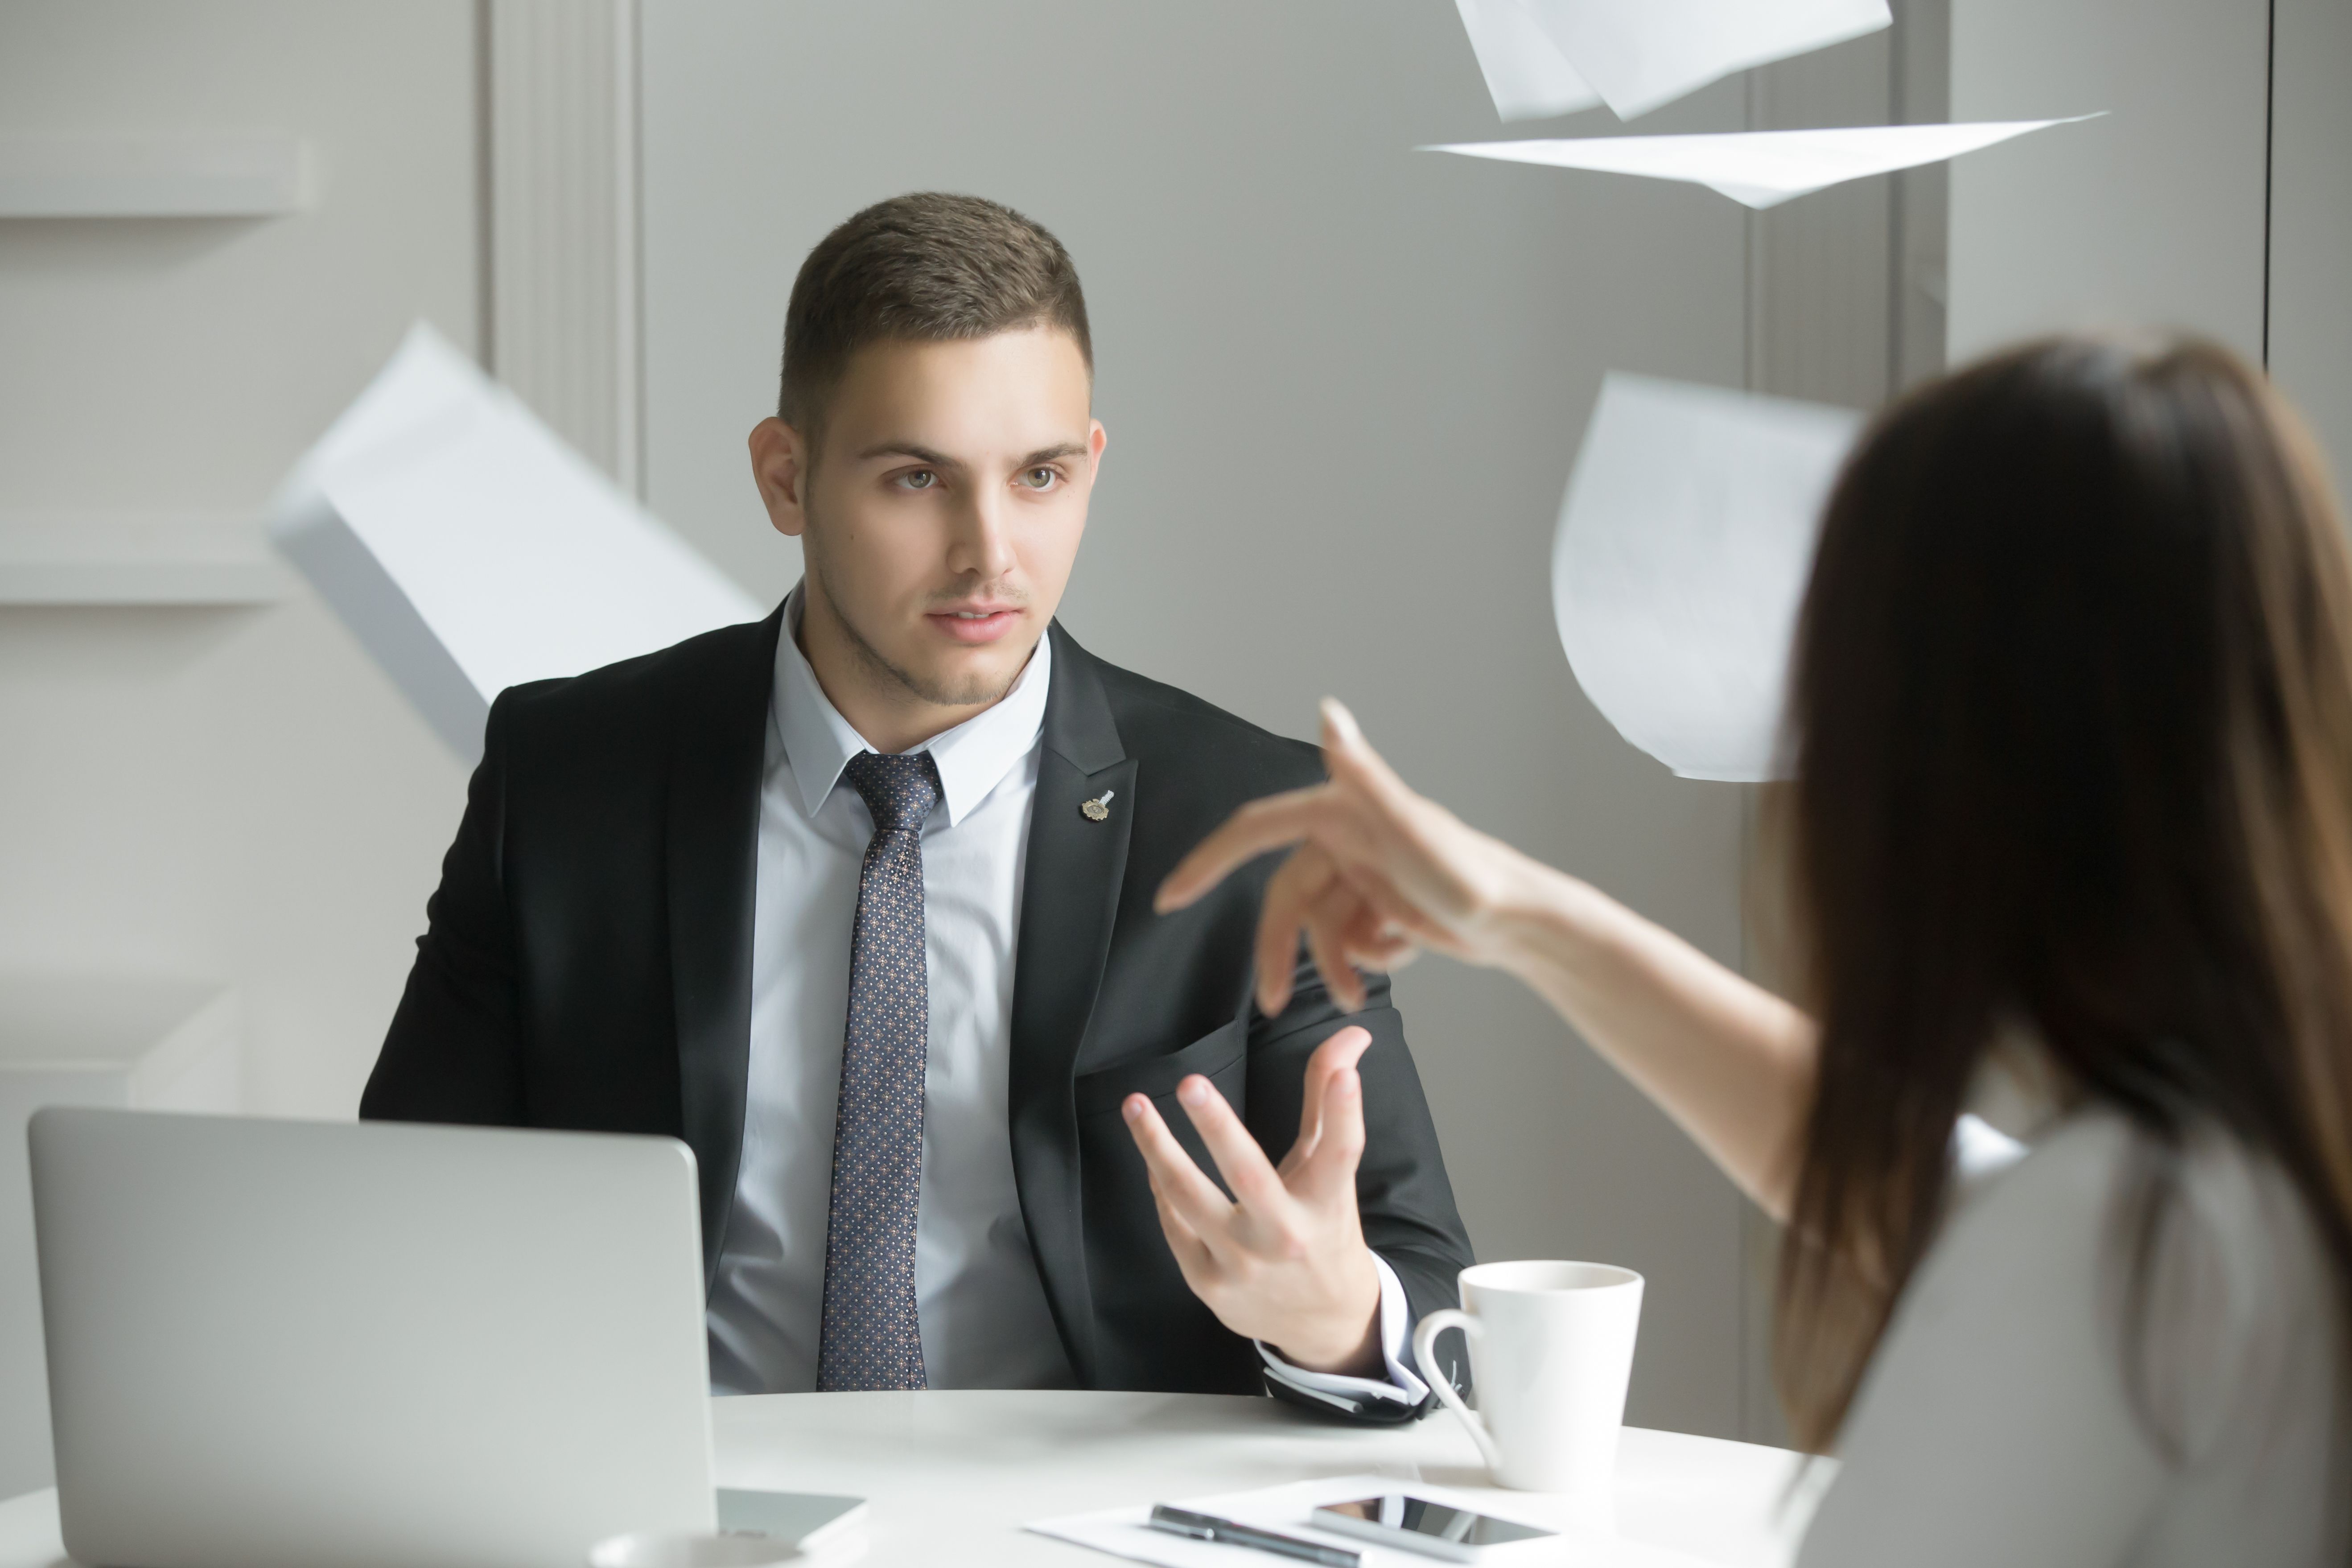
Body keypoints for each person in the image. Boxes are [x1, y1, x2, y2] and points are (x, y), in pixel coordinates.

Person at [1151, 335, 2352, 1561]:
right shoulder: (2245, 1181)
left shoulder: (2125, 1248)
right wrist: (1520, 916)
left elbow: (2019, 1236)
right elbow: (1929, 1186)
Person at [360, 192, 1472, 1419]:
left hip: (1077, 1533)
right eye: (915, 480)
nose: (988, 552)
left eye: (1039, 476)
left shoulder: (1252, 816)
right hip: (695, 1513)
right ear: (786, 479)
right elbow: (407, 1228)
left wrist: (1336, 1320)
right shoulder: (565, 778)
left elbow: (1423, 1279)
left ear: (1089, 466)